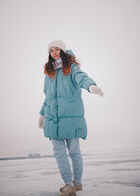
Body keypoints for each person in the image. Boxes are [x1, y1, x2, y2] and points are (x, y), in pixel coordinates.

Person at [38, 39, 104, 196]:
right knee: (59, 153)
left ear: (62, 51)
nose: (54, 52)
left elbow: (82, 77)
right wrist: (42, 114)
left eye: (57, 49)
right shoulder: (49, 73)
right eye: (51, 50)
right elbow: (48, 98)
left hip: (71, 119)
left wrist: (90, 86)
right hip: (53, 121)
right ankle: (68, 185)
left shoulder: (72, 68)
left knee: (74, 152)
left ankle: (78, 183)